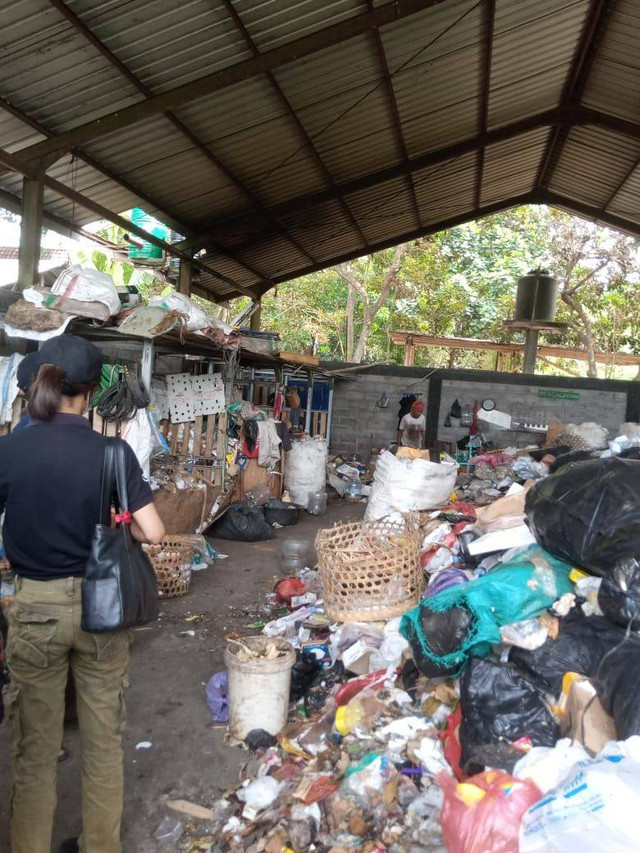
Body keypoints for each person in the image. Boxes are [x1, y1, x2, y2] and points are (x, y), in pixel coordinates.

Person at [1, 335, 165, 853]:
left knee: (35, 750)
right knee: (102, 744)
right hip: (102, 609)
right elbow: (154, 533)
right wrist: (121, 525)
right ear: (92, 394)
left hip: (34, 611)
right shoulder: (111, 453)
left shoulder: (9, 450)